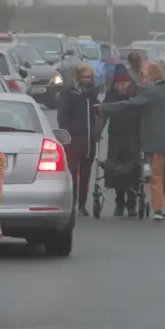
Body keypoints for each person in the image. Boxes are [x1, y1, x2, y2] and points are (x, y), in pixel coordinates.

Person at [102, 61, 165, 220]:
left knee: (156, 177)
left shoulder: (150, 93)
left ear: (152, 76)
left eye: (145, 76)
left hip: (155, 142)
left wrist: (105, 107)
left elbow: (130, 103)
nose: (143, 80)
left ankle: (158, 210)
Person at [100, 64, 144, 216]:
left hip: (134, 135)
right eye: (117, 85)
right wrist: (97, 131)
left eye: (122, 84)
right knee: (115, 169)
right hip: (116, 135)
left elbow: (143, 115)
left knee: (133, 169)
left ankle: (132, 203)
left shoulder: (137, 94)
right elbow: (103, 114)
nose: (119, 88)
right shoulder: (111, 95)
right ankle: (119, 203)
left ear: (128, 83)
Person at [56, 63, 99, 216]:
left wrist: (97, 129)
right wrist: (66, 134)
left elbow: (97, 113)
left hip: (89, 140)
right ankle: (72, 203)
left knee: (86, 174)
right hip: (74, 140)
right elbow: (63, 115)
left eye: (89, 77)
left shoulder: (92, 94)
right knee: (73, 173)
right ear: (78, 77)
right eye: (84, 77)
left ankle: (82, 203)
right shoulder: (70, 93)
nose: (87, 80)